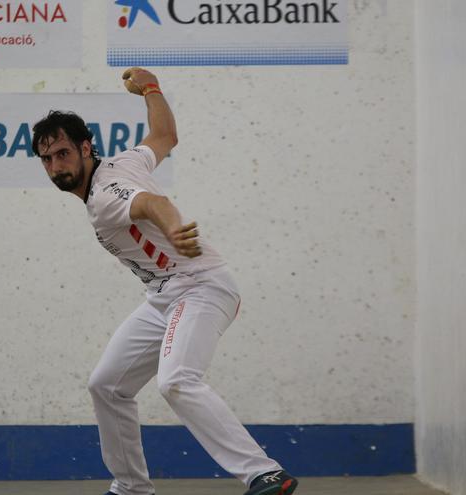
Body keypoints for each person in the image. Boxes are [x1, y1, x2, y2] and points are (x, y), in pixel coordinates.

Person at [30, 68, 298, 495]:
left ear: (85, 148)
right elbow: (165, 136)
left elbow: (154, 203)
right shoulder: (127, 161)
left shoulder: (104, 195)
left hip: (201, 287)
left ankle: (263, 473)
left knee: (176, 380)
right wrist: (151, 89)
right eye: (46, 159)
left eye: (63, 153)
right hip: (163, 297)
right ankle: (131, 487)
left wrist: (173, 227)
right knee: (107, 385)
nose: (55, 166)